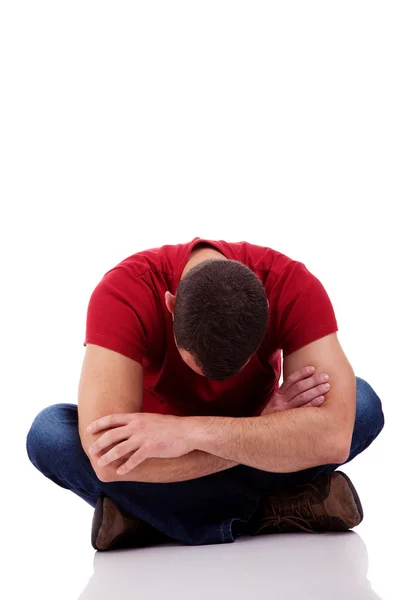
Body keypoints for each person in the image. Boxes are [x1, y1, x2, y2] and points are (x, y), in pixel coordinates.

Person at [26, 237, 384, 550]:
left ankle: (150, 519)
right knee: (50, 434)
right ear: (170, 305)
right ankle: (274, 510)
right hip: (160, 461)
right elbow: (108, 460)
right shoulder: (125, 290)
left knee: (361, 403)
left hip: (174, 475)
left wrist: (192, 433)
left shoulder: (291, 285)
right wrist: (266, 433)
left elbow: (334, 437)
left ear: (267, 312)